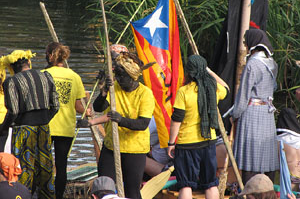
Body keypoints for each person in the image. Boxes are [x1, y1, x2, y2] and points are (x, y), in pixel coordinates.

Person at [93, 50, 155, 199]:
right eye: (117, 75)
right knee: (104, 187)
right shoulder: (114, 88)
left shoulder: (145, 94)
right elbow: (98, 108)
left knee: (132, 191)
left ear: (132, 77)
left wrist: (120, 120)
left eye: (122, 76)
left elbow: (142, 124)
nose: (119, 79)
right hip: (111, 146)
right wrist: (104, 91)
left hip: (134, 149)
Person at [0, 50, 59, 198]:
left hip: (23, 129)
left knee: (24, 168)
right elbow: (56, 106)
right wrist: (44, 119)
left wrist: (3, 127)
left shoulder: (12, 81)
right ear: (28, 63)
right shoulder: (46, 76)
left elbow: (13, 110)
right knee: (45, 168)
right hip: (44, 128)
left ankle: (23, 195)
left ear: (12, 68)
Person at [167, 54, 228, 199]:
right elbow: (226, 87)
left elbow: (177, 119)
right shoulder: (213, 89)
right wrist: (209, 71)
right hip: (208, 142)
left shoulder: (184, 91)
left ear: (189, 72)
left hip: (187, 144)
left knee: (186, 185)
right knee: (210, 183)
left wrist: (171, 143)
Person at [43, 42, 91, 199]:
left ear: (50, 55)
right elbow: (79, 106)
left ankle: (43, 193)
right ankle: (58, 196)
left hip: (45, 126)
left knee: (43, 164)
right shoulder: (74, 76)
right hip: (65, 128)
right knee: (61, 165)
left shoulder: (43, 74)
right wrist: (87, 109)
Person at [232, 29, 279, 184]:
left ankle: (250, 190)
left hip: (252, 113)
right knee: (265, 152)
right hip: (267, 112)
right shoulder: (272, 64)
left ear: (253, 43)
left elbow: (244, 94)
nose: (245, 45)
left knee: (250, 155)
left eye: (245, 43)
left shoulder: (252, 64)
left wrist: (235, 114)